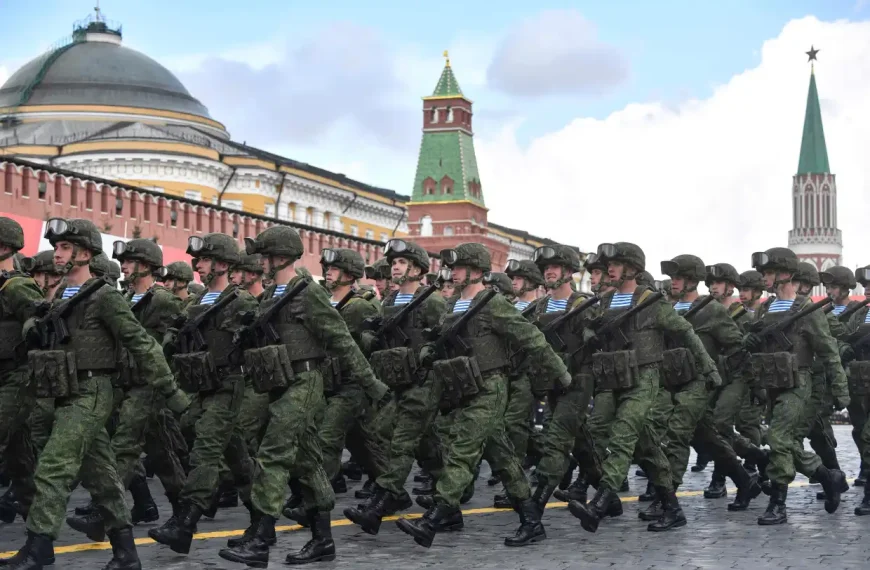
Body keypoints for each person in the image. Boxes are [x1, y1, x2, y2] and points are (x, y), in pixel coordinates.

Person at [7, 218, 179, 570]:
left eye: (65, 247)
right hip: (63, 391)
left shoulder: (105, 296)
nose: (57, 254)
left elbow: (142, 343)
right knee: (101, 476)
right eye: (57, 247)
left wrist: (170, 390)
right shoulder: (59, 297)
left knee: (53, 467)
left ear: (85, 254)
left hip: (91, 391)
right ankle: (126, 552)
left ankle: (39, 546)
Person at [395, 243, 570, 548]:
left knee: (462, 451)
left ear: (476, 271)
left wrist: (561, 373)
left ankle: (432, 519)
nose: (453, 273)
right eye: (452, 268)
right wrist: (427, 351)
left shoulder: (493, 304)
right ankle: (531, 521)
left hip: (490, 388)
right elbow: (439, 340)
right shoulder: (453, 305)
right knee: (503, 459)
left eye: (459, 268)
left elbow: (532, 339)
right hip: (461, 388)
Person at [149, 233, 257, 555]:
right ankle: (262, 519)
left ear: (223, 264)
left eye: (206, 260)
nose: (199, 265)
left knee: (206, 450)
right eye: (199, 260)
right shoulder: (196, 304)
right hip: (203, 386)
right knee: (235, 457)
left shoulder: (241, 302)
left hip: (229, 385)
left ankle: (184, 524)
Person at [744, 247, 848, 525]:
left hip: (799, 383)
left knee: (778, 437)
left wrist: (840, 388)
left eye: (769, 272)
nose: (764, 278)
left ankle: (778, 504)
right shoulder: (764, 308)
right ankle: (827, 476)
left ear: (786, 274)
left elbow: (828, 351)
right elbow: (754, 345)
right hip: (771, 382)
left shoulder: (807, 310)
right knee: (785, 442)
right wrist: (749, 341)